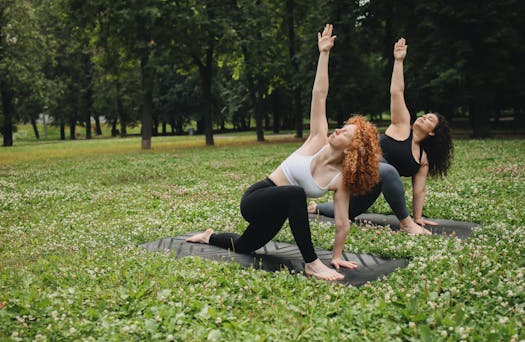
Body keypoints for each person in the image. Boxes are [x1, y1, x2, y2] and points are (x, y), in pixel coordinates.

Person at [186, 24, 381, 281]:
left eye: (346, 132)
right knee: (295, 193)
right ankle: (311, 263)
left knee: (245, 246)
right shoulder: (316, 140)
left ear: (354, 147)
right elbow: (319, 94)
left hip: (280, 210)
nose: (337, 130)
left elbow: (342, 221)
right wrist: (324, 54)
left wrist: (336, 255)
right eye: (341, 127)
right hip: (257, 198)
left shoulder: (339, 179)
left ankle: (208, 235)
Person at [309, 38, 453, 235]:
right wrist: (399, 61)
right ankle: (405, 224)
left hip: (369, 187)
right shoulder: (402, 125)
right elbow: (397, 92)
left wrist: (419, 217)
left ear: (432, 132)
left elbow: (419, 190)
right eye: (424, 115)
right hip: (357, 170)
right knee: (389, 171)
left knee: (349, 210)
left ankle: (315, 207)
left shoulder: (422, 158)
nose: (422, 117)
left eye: (428, 119)